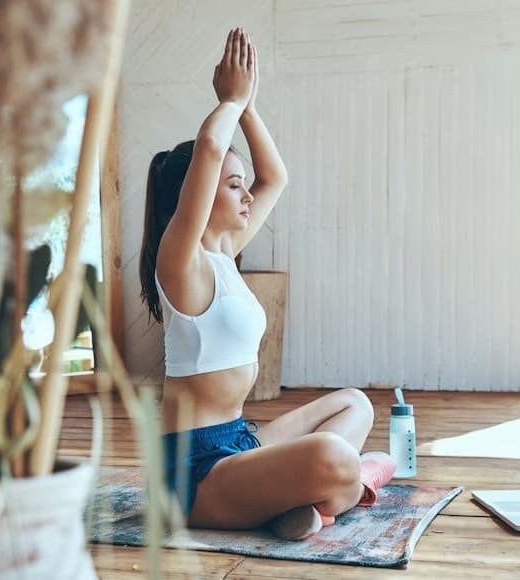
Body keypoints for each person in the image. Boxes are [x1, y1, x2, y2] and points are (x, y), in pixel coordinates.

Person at [138, 28, 396, 540]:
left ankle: (304, 504)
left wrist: (249, 109)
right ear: (200, 194)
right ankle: (334, 492)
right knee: (335, 457)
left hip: (238, 442)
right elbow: (211, 147)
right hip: (194, 473)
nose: (247, 194)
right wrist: (229, 100)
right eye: (233, 185)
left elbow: (275, 177)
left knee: (355, 404)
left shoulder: (225, 255)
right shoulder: (180, 263)